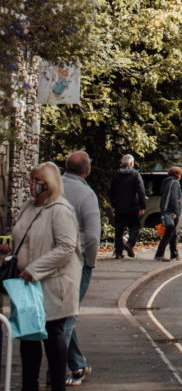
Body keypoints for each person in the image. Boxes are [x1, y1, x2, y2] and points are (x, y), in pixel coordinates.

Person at [12, 161, 83, 391]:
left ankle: (57, 385)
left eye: (37, 181)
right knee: (28, 336)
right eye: (31, 180)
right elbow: (22, 236)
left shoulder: (61, 210)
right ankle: (29, 386)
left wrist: (34, 270)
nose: (32, 185)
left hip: (52, 284)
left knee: (52, 335)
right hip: (27, 284)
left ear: (49, 184)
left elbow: (66, 247)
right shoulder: (28, 206)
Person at [60, 151, 100, 386]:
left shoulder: (53, 188)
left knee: (62, 314)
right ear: (86, 170)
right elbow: (93, 236)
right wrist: (90, 262)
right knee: (67, 317)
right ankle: (54, 373)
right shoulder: (86, 194)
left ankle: (77, 365)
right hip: (78, 261)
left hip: (52, 261)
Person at [109, 153, 146, 259]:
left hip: (119, 206)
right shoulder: (135, 174)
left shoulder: (116, 175)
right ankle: (129, 244)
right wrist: (142, 206)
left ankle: (118, 252)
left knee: (119, 229)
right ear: (131, 163)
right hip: (132, 206)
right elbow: (141, 191)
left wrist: (113, 204)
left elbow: (111, 191)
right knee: (134, 227)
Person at [154, 167, 182, 261]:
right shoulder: (174, 183)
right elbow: (173, 198)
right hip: (172, 211)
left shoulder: (168, 182)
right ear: (178, 174)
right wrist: (175, 212)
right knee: (169, 233)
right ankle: (159, 254)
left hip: (168, 210)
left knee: (173, 233)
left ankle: (174, 254)